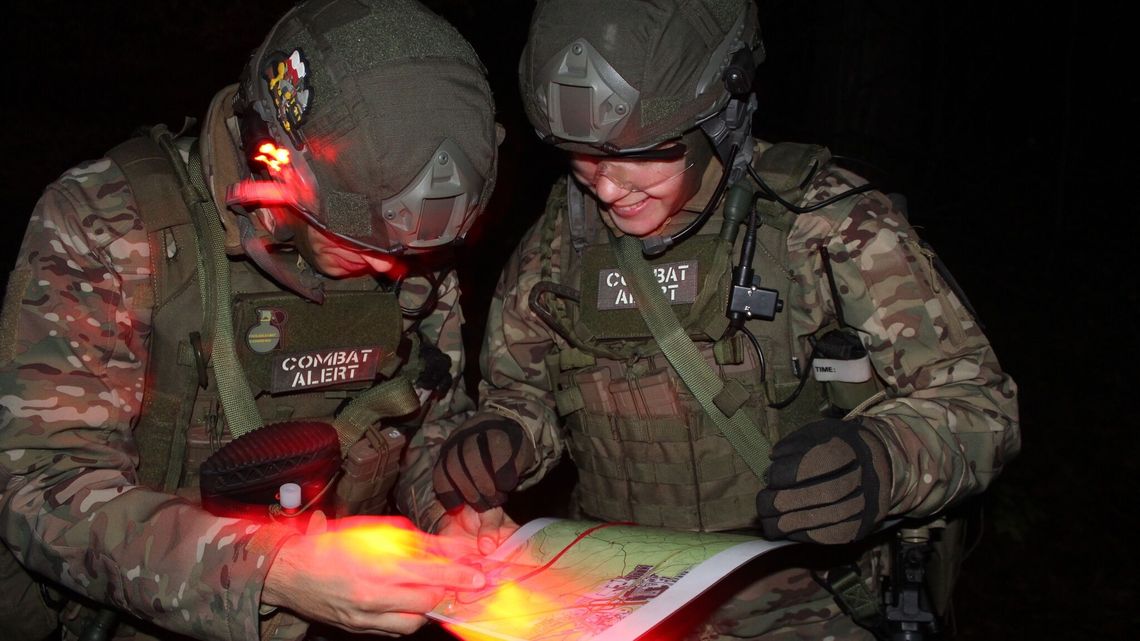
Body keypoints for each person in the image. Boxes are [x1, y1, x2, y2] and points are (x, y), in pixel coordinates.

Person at [429, 0, 1020, 639]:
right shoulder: (555, 247)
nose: (606, 187)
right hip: (615, 597)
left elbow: (980, 406)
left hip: (802, 605)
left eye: (645, 152)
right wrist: (503, 439)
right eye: (581, 156)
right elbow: (522, 396)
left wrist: (881, 461)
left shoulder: (823, 226)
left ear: (718, 118)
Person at [0, 0, 501, 639]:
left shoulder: (408, 231)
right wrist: (275, 572)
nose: (389, 266)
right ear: (276, 164)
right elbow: (42, 488)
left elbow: (428, 420)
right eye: (360, 240)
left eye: (409, 250)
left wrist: (449, 512)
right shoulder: (112, 227)